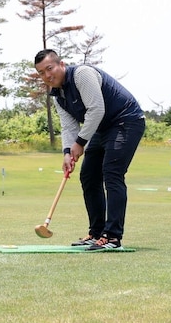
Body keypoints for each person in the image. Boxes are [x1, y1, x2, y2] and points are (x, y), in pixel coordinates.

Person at [33, 49, 145, 251]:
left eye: (50, 68)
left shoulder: (82, 74)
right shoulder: (58, 96)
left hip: (126, 120)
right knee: (88, 176)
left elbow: (96, 109)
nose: (47, 75)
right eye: (41, 73)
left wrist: (80, 142)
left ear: (62, 65)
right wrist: (67, 152)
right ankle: (96, 233)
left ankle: (112, 237)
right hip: (101, 128)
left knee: (112, 173)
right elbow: (69, 127)